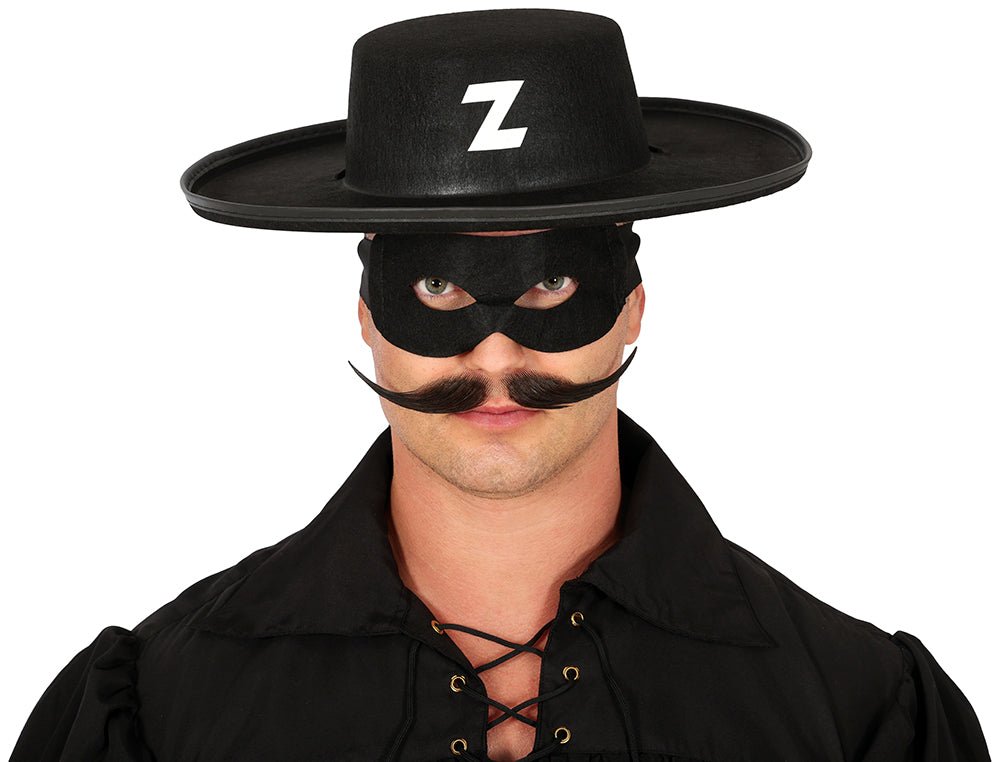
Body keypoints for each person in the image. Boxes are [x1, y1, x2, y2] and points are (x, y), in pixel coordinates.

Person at [10, 8, 991, 762]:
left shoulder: (857, 712)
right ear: (367, 318)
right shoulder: (167, 709)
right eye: (436, 290)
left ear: (632, 307)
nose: (493, 357)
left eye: (551, 285)